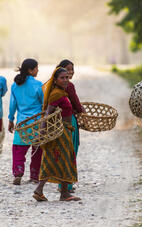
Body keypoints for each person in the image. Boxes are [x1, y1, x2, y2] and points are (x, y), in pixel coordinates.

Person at [33, 67, 81, 202]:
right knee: (63, 159)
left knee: (57, 160)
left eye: (67, 77)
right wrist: (42, 133)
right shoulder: (56, 94)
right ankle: (62, 193)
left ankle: (42, 190)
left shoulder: (61, 93)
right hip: (60, 133)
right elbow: (48, 114)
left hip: (64, 131)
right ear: (55, 80)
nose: (66, 80)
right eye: (62, 78)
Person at [8, 58, 43, 185]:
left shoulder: (15, 85)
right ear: (30, 70)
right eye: (36, 68)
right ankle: (35, 175)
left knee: (18, 149)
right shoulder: (39, 85)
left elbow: (13, 105)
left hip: (22, 123)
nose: (38, 70)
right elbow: (44, 104)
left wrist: (11, 119)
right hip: (37, 123)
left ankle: (18, 172)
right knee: (37, 149)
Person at [56, 59, 85, 193]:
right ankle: (66, 185)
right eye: (68, 69)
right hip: (69, 122)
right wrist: (82, 111)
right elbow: (77, 105)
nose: (71, 72)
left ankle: (61, 183)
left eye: (72, 69)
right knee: (71, 151)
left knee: (61, 152)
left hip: (56, 122)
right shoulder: (69, 85)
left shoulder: (53, 84)